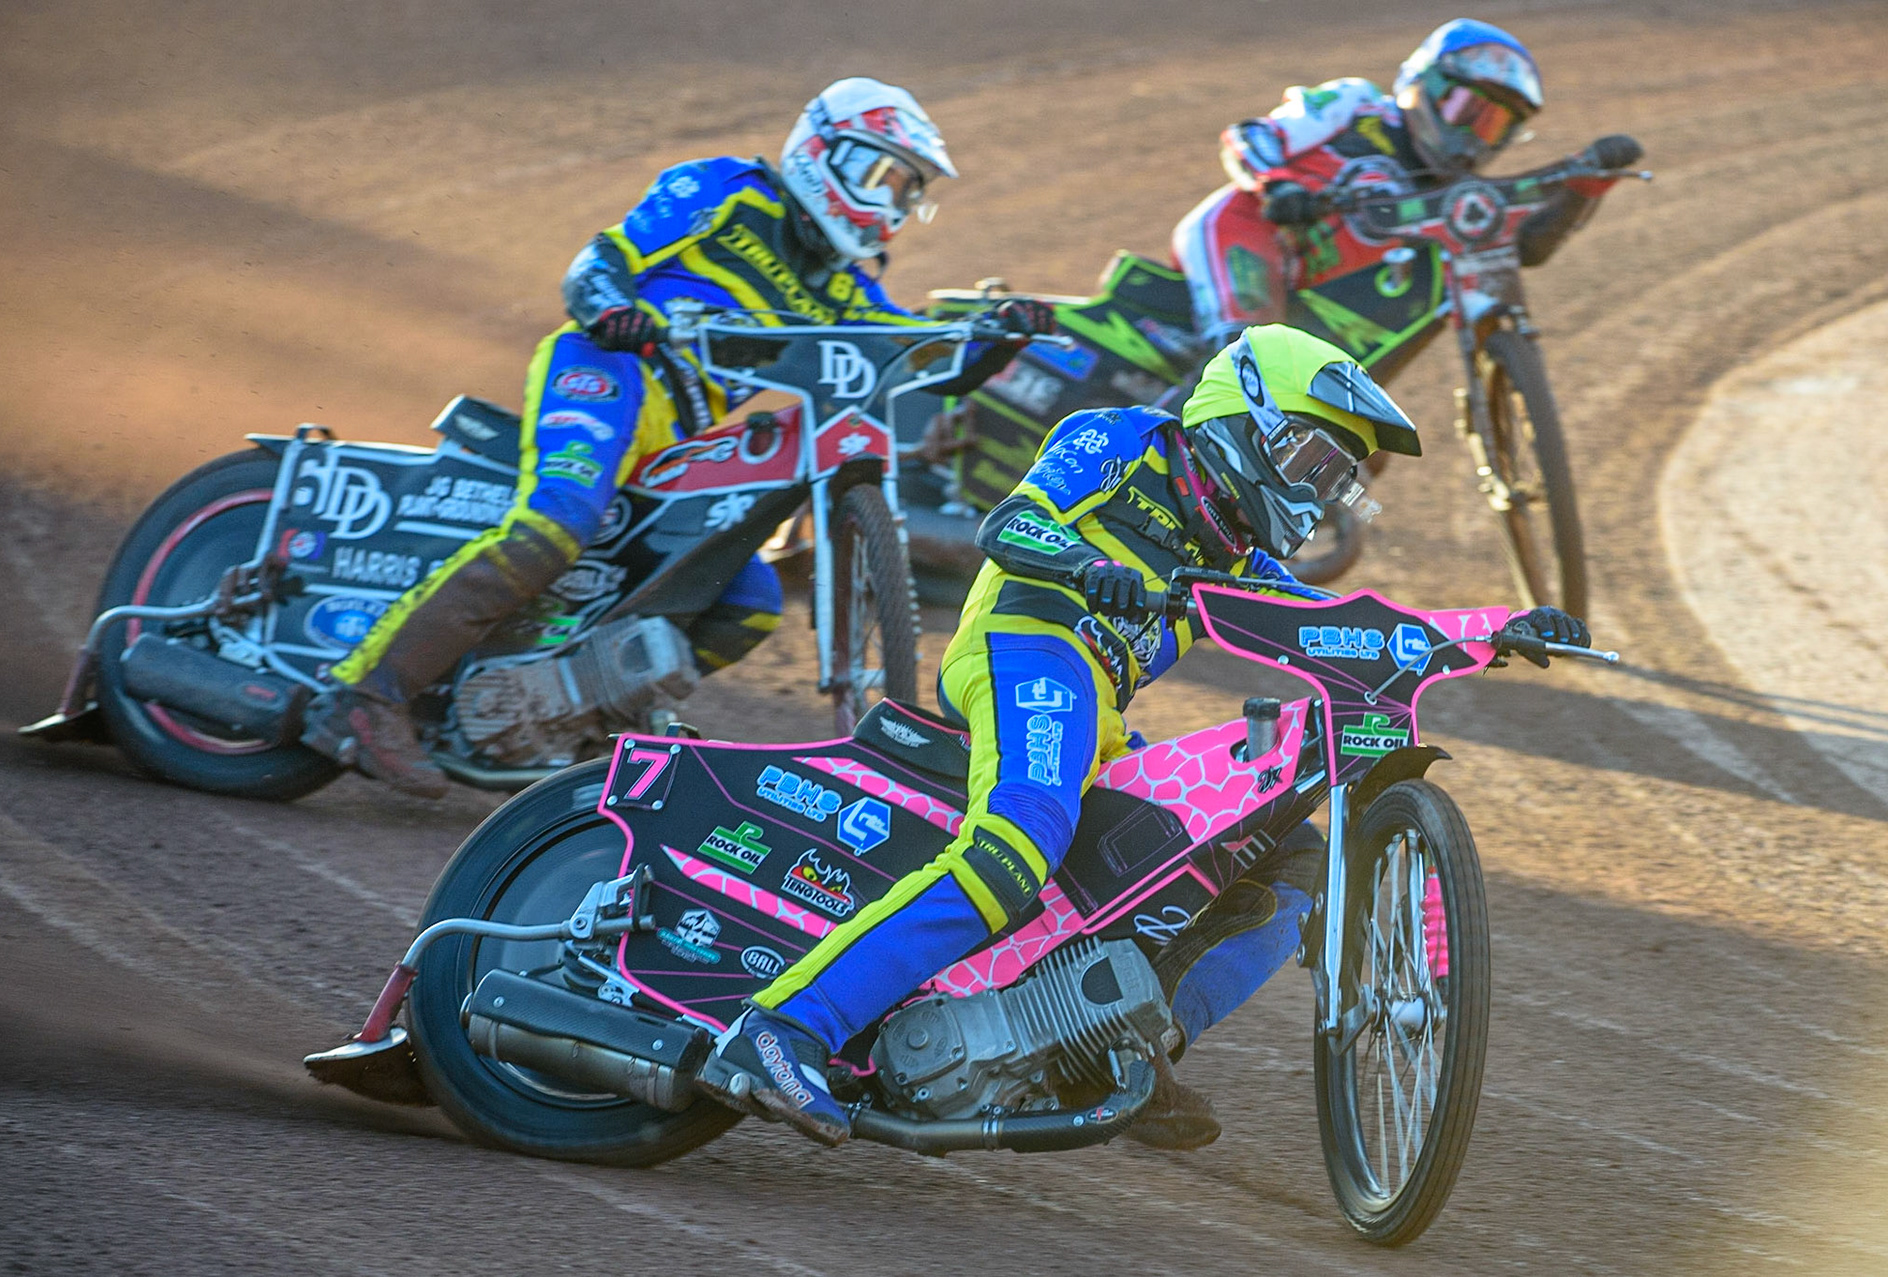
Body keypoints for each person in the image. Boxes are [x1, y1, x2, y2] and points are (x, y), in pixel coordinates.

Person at [701, 322, 1593, 1148]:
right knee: (1017, 844)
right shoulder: (1127, 439)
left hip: (1098, 710)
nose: (1321, 493)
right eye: (1315, 461)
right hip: (1028, 644)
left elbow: (1350, 622)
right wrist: (1092, 568)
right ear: (1251, 418)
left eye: (1337, 480)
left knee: (1285, 863)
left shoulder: (1241, 559)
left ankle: (1128, 1043)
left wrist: (1492, 629)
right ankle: (782, 1028)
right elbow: (1009, 524)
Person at [300, 77, 1053, 797]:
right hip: (607, 371)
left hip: (681, 436)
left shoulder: (844, 286)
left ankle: (568, 715)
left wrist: (1000, 337)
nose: (891, 200)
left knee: (749, 596)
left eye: (906, 187)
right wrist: (612, 310)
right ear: (825, 153)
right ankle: (367, 697)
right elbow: (601, 261)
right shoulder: (724, 191)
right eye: (883, 175)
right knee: (558, 520)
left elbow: (917, 355)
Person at [1171, 19, 1640, 349]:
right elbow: (1252, 136)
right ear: (1423, 82)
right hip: (1245, 232)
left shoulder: (1456, 203)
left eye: (1493, 126)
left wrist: (1581, 190)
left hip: (1309, 305)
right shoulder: (1356, 104)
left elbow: (1525, 248)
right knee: (1244, 356)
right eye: (1466, 110)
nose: (1472, 137)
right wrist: (1278, 188)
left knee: (1360, 449)